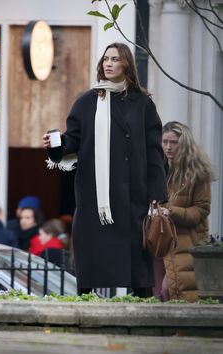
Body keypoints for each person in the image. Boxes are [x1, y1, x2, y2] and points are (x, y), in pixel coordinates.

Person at [43, 42, 168, 297]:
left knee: (135, 256)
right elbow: (72, 141)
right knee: (89, 250)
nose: (108, 63)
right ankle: (85, 301)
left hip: (132, 196)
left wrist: (157, 193)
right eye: (105, 59)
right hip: (94, 198)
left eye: (115, 59)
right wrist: (55, 144)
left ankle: (143, 305)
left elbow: (154, 152)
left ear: (127, 65)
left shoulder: (142, 104)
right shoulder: (87, 102)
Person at [158, 121, 215, 302]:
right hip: (159, 242)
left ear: (184, 143)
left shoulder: (197, 173)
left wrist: (170, 212)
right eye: (165, 141)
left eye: (173, 142)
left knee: (175, 292)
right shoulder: (159, 169)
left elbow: (201, 210)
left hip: (186, 243)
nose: (168, 147)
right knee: (159, 296)